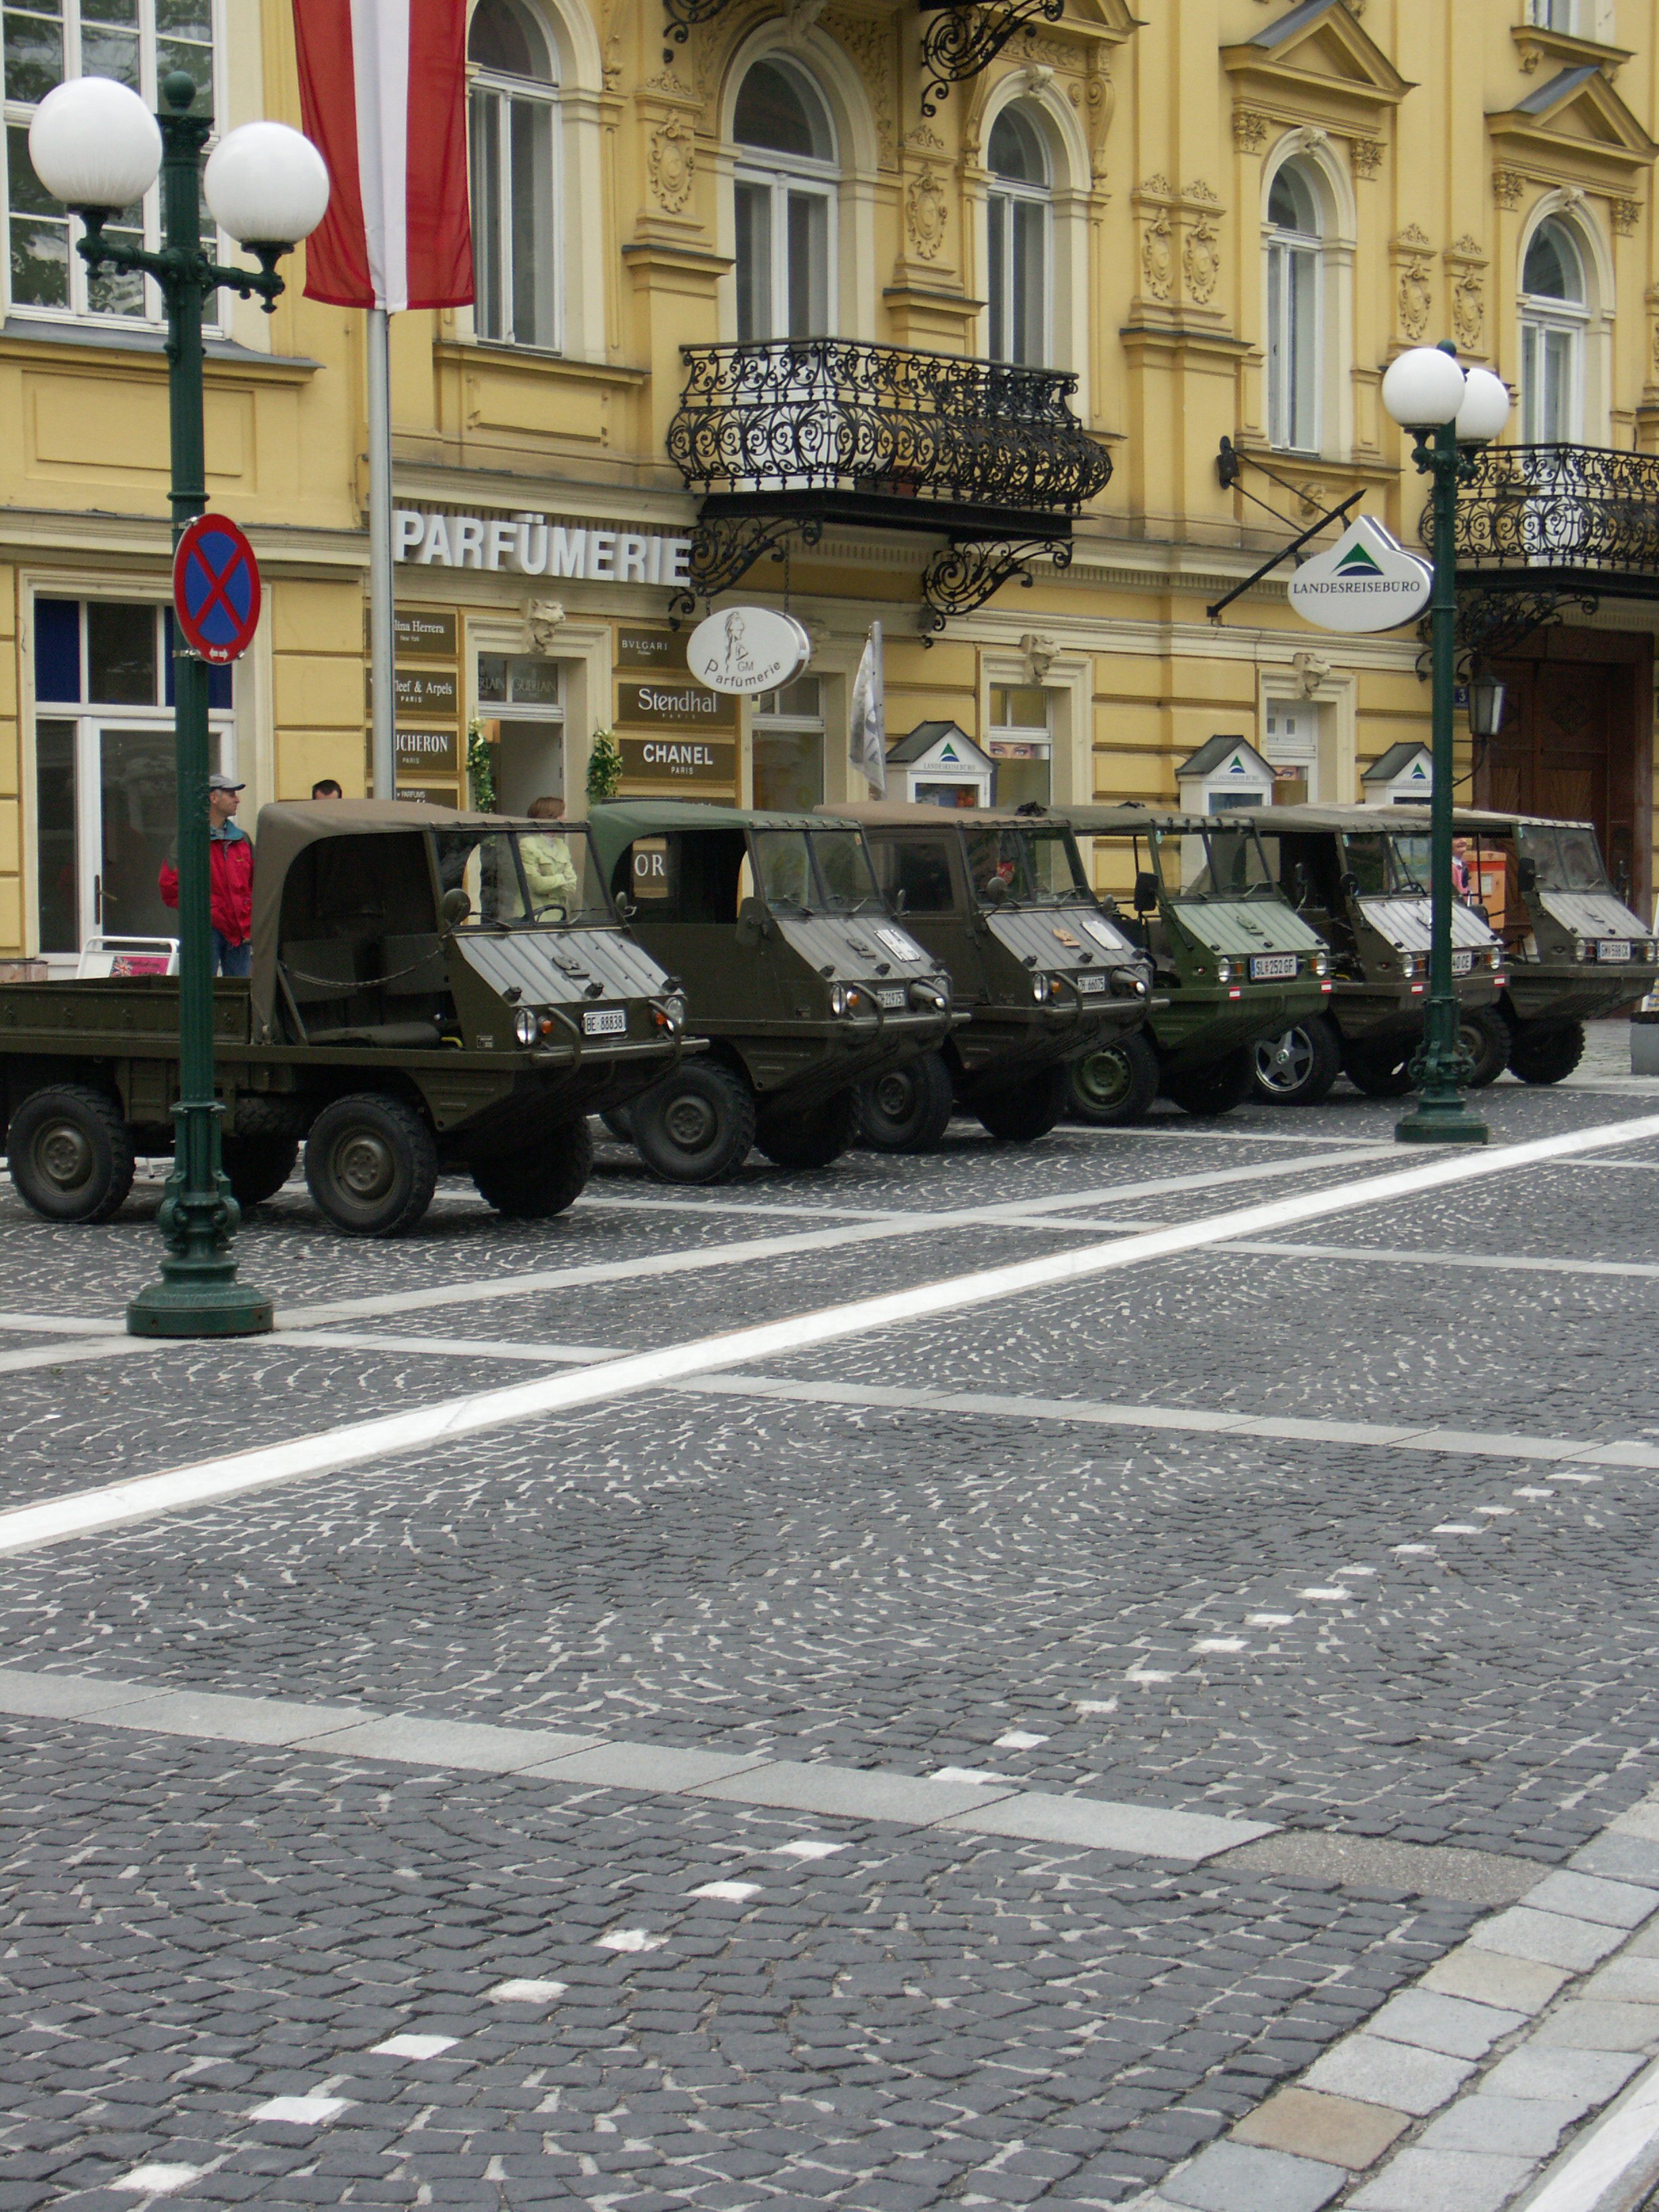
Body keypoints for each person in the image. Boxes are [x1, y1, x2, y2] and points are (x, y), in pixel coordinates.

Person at [159, 771, 254, 976]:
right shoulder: (190, 840)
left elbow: (256, 884)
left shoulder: (242, 840)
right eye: (231, 794)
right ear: (214, 798)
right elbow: (169, 885)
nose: (237, 800)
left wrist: (249, 914)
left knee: (239, 992)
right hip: (204, 930)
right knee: (202, 989)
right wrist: (202, 912)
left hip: (240, 930)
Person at [521, 793, 579, 918]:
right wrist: (562, 878)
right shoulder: (528, 844)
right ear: (551, 816)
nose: (565, 818)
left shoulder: (561, 845)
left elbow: (572, 885)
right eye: (562, 814)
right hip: (535, 915)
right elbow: (536, 884)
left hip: (559, 914)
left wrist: (549, 886)